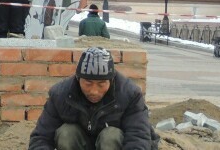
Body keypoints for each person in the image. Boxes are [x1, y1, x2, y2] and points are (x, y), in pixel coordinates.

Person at [28, 47, 159, 150]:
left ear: (111, 80)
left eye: (101, 84)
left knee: (111, 136)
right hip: (80, 143)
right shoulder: (61, 94)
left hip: (111, 145)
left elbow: (138, 137)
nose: (94, 91)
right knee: (66, 133)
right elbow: (41, 137)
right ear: (78, 78)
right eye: (88, 83)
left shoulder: (130, 94)